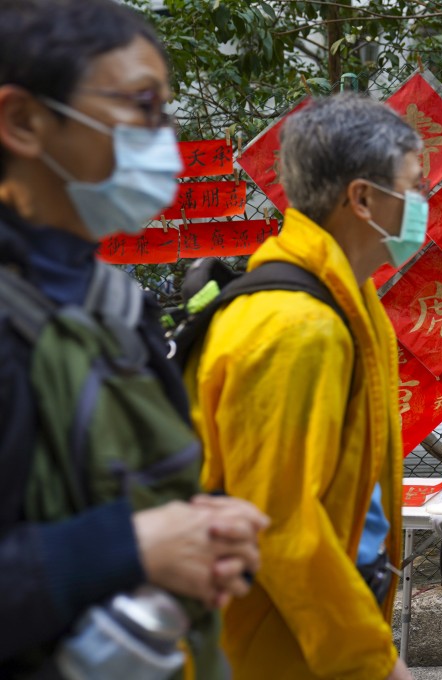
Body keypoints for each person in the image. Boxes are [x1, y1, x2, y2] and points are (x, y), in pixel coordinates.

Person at [0, 0, 268, 675]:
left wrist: (197, 533)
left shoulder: (116, 303)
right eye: (144, 107)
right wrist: (127, 544)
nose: (164, 138)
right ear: (23, 121)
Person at [186, 94, 423, 680]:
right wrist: (372, 662)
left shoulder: (348, 299)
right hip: (267, 648)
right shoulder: (297, 326)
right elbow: (279, 522)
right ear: (363, 199)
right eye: (412, 187)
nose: (421, 204)